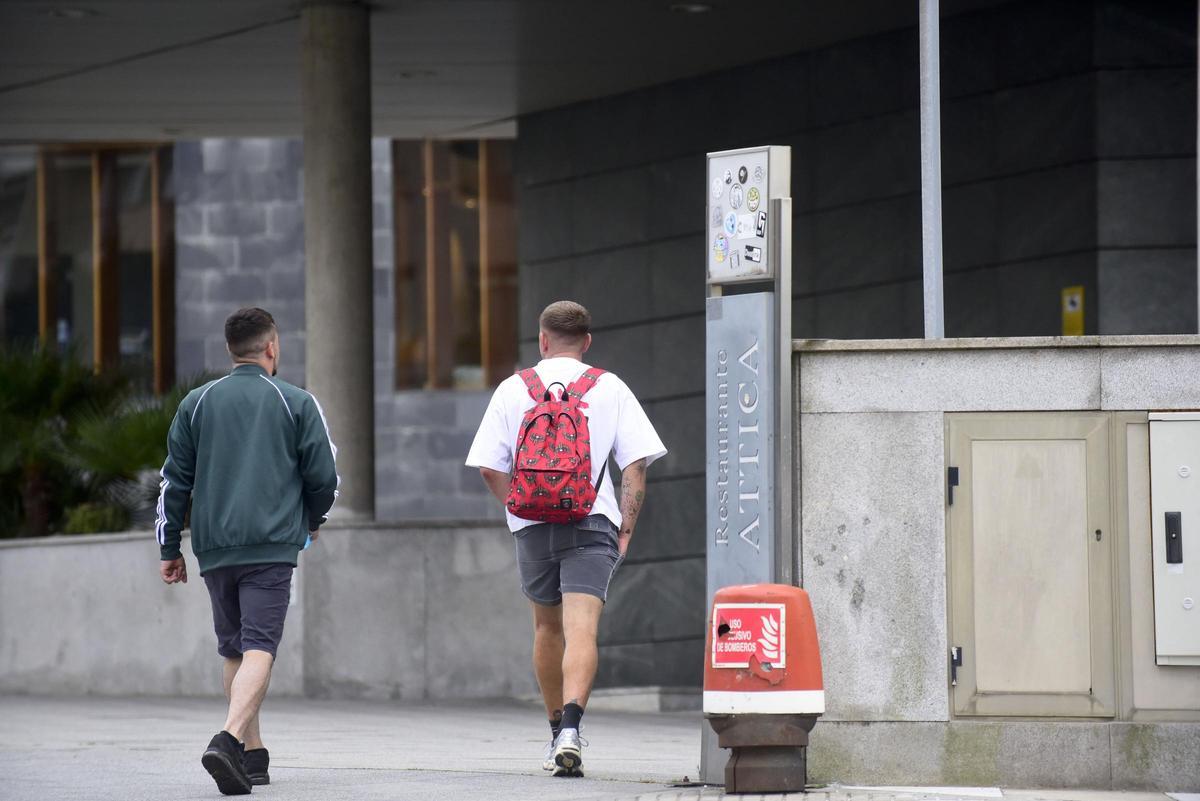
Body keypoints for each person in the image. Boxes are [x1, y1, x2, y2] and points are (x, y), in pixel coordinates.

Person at [466, 300, 667, 778]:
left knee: (546, 629)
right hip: (592, 522)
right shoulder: (611, 387)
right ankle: (574, 730)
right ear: (588, 342)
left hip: (532, 525)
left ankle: (555, 730)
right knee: (583, 631)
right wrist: (625, 529)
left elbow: (489, 467)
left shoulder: (514, 389)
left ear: (541, 340)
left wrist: (520, 508)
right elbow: (635, 469)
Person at [156, 307, 339, 796]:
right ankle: (229, 738)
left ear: (230, 350)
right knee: (261, 645)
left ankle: (252, 757)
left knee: (235, 647)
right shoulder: (295, 401)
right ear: (272, 347)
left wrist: (169, 545)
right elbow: (325, 477)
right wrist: (311, 520)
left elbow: (174, 481)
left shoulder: (196, 402)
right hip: (271, 544)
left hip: (213, 547)